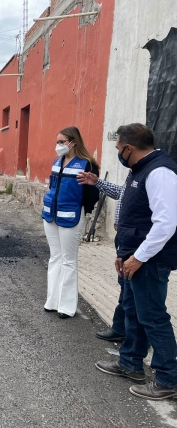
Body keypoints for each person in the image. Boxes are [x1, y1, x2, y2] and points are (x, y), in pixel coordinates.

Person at [95, 123, 177, 401]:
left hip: (150, 261)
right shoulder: (139, 171)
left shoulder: (160, 172)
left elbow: (165, 224)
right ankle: (130, 362)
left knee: (153, 317)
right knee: (133, 310)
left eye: (118, 148)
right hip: (133, 256)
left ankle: (168, 379)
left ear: (129, 148)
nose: (118, 153)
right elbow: (134, 216)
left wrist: (138, 257)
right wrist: (123, 252)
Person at [42, 126, 100, 319]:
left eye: (62, 142)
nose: (58, 146)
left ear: (73, 142)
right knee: (55, 257)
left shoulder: (87, 164)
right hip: (50, 215)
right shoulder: (58, 160)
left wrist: (83, 210)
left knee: (69, 260)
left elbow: (92, 193)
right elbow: (53, 185)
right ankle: (52, 301)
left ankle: (66, 307)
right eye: (57, 142)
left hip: (72, 216)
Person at [78, 168, 131, 342]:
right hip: (123, 237)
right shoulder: (134, 173)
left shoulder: (152, 174)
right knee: (125, 286)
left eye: (120, 147)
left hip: (134, 240)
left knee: (134, 291)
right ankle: (120, 328)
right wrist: (98, 182)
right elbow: (120, 194)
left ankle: (135, 338)